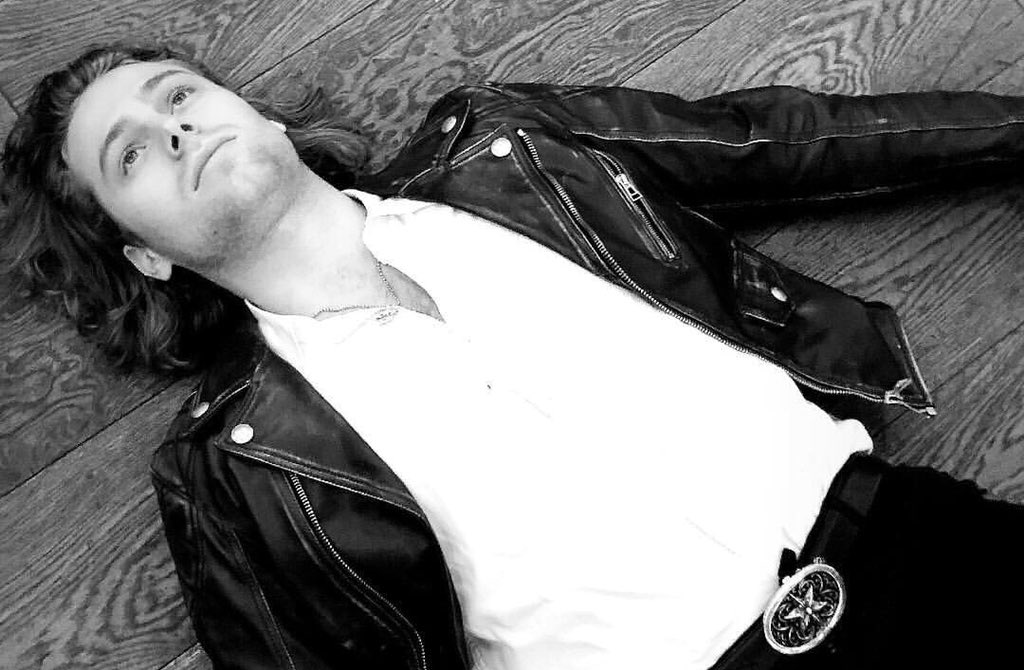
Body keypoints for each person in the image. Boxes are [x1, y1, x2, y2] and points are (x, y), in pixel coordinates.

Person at [2, 41, 1023, 670]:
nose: (174, 131)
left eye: (178, 96)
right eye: (130, 153)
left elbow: (771, 139)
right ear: (144, 256)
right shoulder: (228, 470)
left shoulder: (508, 146)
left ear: (257, 113)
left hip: (915, 544)